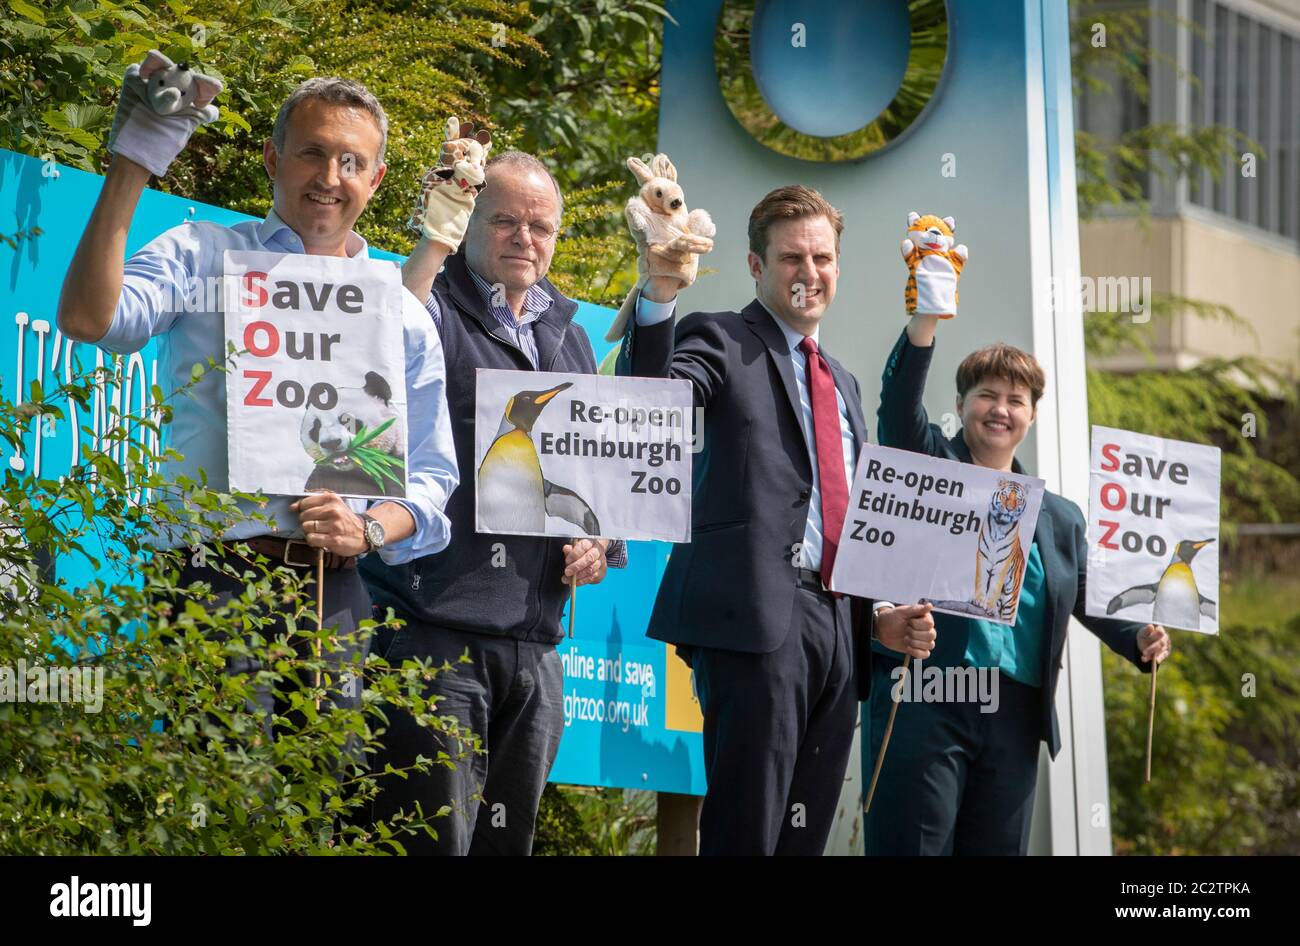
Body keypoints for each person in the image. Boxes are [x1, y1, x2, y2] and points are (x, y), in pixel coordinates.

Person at [56, 71, 458, 739]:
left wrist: (370, 529)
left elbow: (433, 477)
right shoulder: (204, 253)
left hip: (336, 592)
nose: (330, 176)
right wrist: (135, 162)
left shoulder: (397, 305)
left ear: (376, 179)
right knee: (219, 801)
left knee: (320, 810)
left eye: (351, 162)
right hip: (212, 578)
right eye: (312, 152)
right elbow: (88, 319)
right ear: (273, 159)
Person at [615, 182, 937, 855]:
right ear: (758, 266)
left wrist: (878, 615)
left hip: (840, 632)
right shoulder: (722, 338)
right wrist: (661, 295)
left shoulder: (842, 382)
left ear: (838, 268)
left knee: (804, 836)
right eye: (792, 258)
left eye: (822, 258)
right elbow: (651, 406)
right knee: (747, 832)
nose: (809, 273)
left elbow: (838, 518)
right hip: (755, 617)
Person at [361, 147, 626, 855]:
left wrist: (599, 540)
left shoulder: (567, 335)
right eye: (505, 221)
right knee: (423, 844)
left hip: (536, 645)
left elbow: (590, 469)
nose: (525, 239)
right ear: (469, 222)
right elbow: (375, 355)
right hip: (433, 630)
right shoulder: (428, 305)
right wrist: (432, 238)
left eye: (540, 227)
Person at [866, 309, 1172, 855]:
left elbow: (1089, 597)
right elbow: (897, 409)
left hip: (1014, 713)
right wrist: (922, 327)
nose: (1000, 410)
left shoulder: (1060, 517)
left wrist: (1139, 638)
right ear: (960, 406)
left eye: (1016, 400)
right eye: (986, 395)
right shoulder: (931, 465)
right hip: (928, 695)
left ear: (1031, 415)